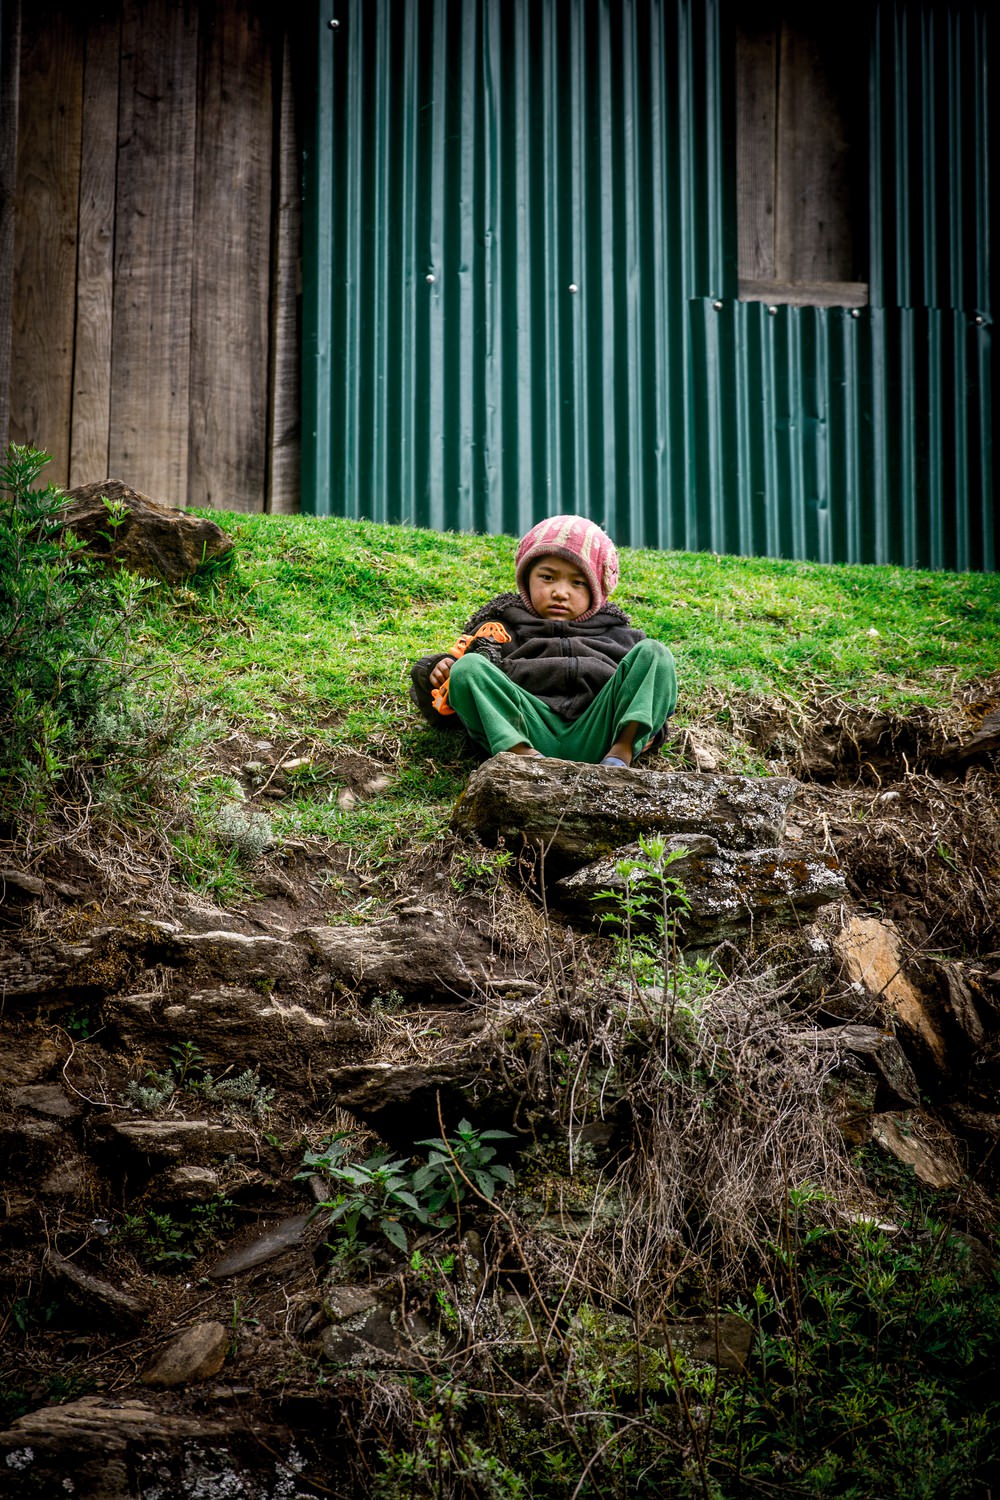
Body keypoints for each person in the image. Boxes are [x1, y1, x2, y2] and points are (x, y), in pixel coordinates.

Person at [410, 515, 677, 766]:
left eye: (578, 583)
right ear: (526, 579)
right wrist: (436, 670)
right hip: (524, 730)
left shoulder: (620, 637)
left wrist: (647, 730)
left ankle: (621, 755)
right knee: (468, 667)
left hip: (600, 733)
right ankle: (524, 760)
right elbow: (452, 705)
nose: (560, 592)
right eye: (547, 577)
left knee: (656, 653)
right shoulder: (497, 630)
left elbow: (646, 698)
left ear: (597, 590)